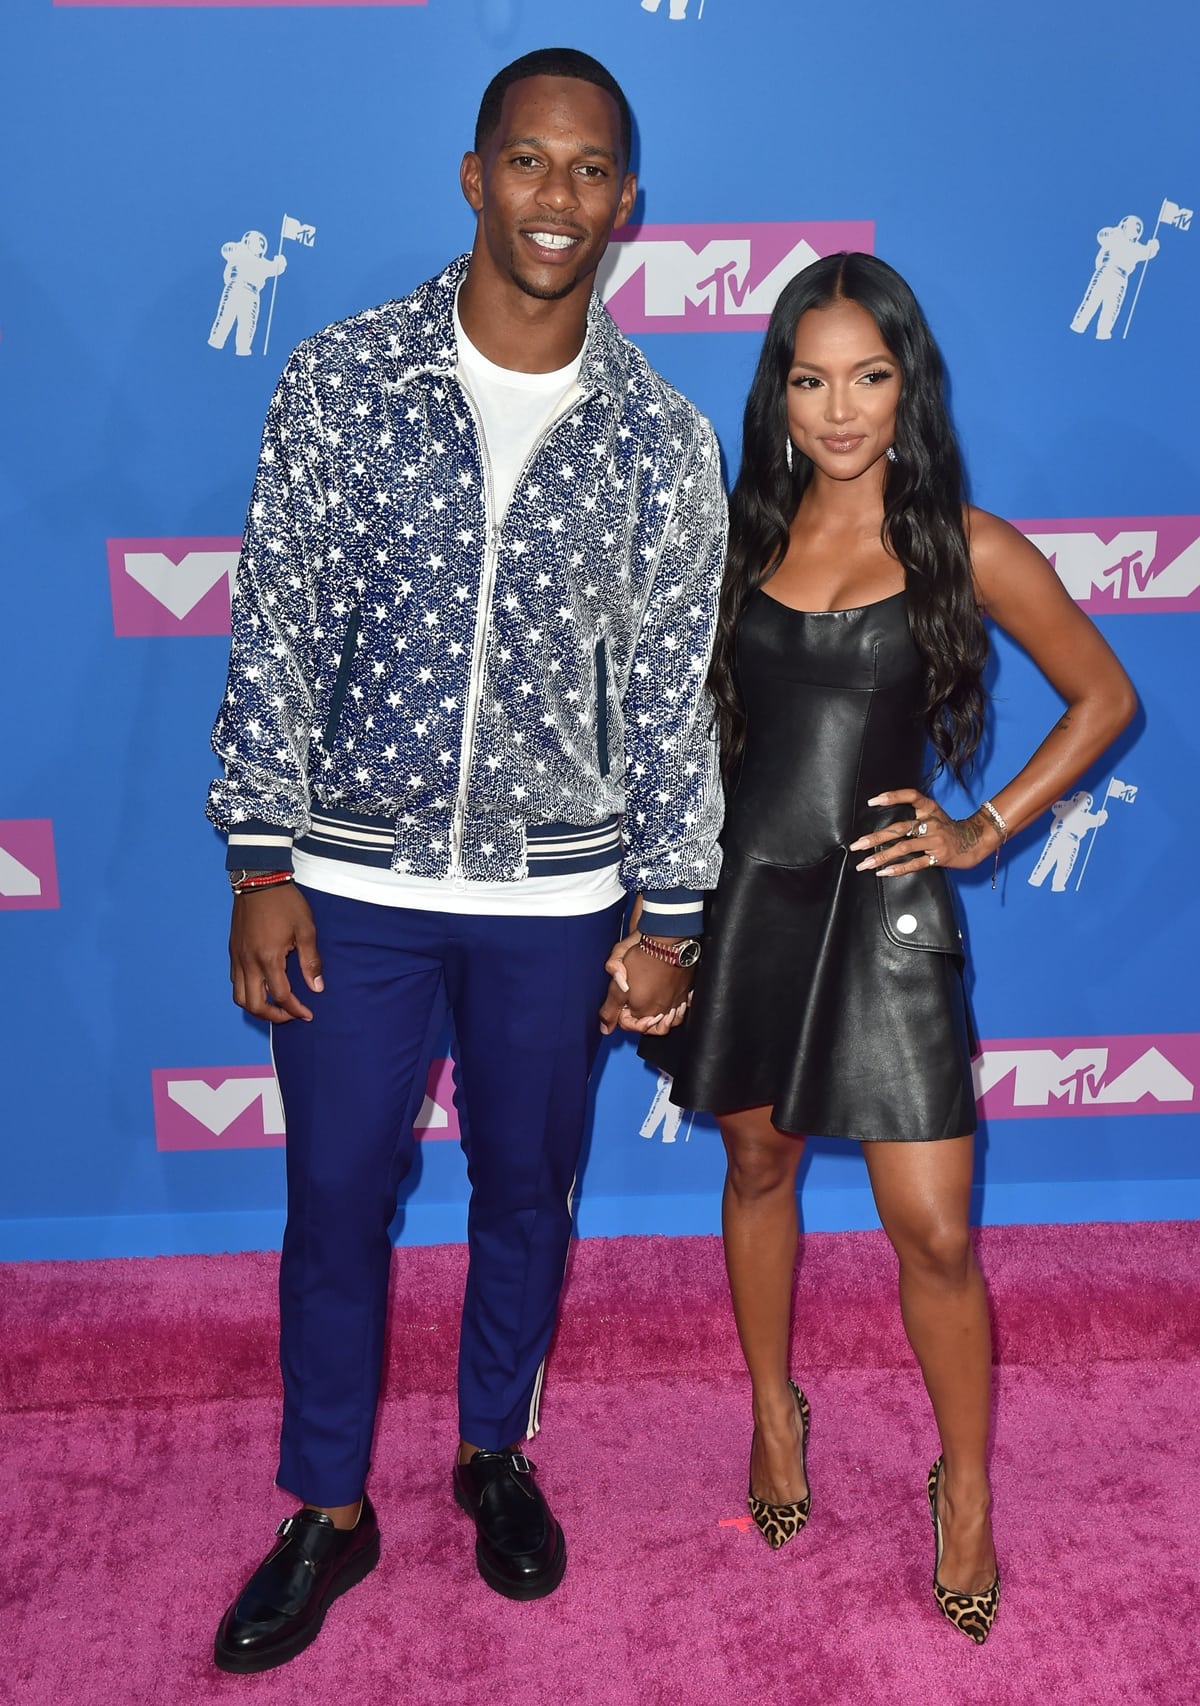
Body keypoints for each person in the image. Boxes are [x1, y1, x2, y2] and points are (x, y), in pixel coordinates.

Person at [206, 47, 725, 1673]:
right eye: (527, 161)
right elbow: (278, 622)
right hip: (351, 885)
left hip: (558, 898)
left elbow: (671, 690)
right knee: (336, 1198)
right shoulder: (343, 377)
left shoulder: (660, 436)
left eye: (588, 172)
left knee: (525, 1195)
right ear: (473, 173)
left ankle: (494, 1450)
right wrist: (259, 858)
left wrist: (674, 908)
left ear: (625, 202)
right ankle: (328, 1504)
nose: (555, 198)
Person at [635, 252, 1136, 1643]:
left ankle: (963, 1484)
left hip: (891, 919)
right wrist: (646, 920)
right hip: (747, 905)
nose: (839, 408)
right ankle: (772, 1410)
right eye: (810, 377)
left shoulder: (961, 544)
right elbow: (669, 745)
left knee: (933, 1228)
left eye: (867, 375)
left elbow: (1103, 694)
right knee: (754, 1160)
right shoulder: (734, 541)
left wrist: (984, 830)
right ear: (777, 390)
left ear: (907, 383)